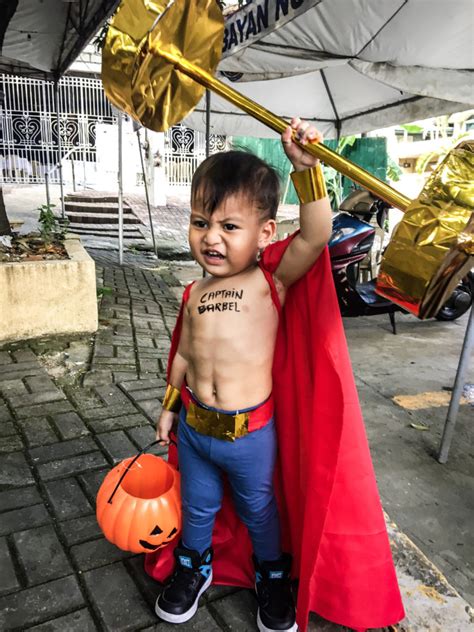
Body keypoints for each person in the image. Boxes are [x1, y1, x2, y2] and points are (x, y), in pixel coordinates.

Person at [152, 118, 404, 632]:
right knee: (197, 508)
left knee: (259, 511)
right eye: (201, 222)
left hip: (251, 435)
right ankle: (193, 569)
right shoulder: (193, 294)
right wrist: (168, 408)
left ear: (265, 232)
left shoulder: (272, 281)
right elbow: (183, 356)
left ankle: (272, 575)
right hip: (197, 431)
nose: (211, 238)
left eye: (229, 225)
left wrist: (305, 170)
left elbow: (317, 234)